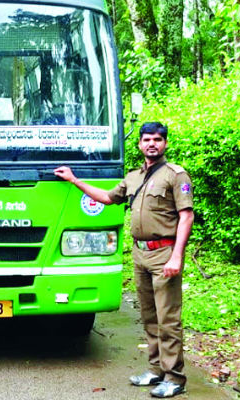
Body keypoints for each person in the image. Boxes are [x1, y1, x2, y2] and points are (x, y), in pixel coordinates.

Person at [54, 122, 194, 398]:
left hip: (164, 253)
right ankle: (156, 371)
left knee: (168, 319)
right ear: (140, 144)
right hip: (141, 254)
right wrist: (74, 180)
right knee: (149, 316)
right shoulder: (133, 177)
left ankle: (175, 377)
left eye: (157, 139)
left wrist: (177, 255)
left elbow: (186, 215)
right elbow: (106, 198)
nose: (152, 144)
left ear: (165, 143)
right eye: (146, 139)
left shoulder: (176, 175)